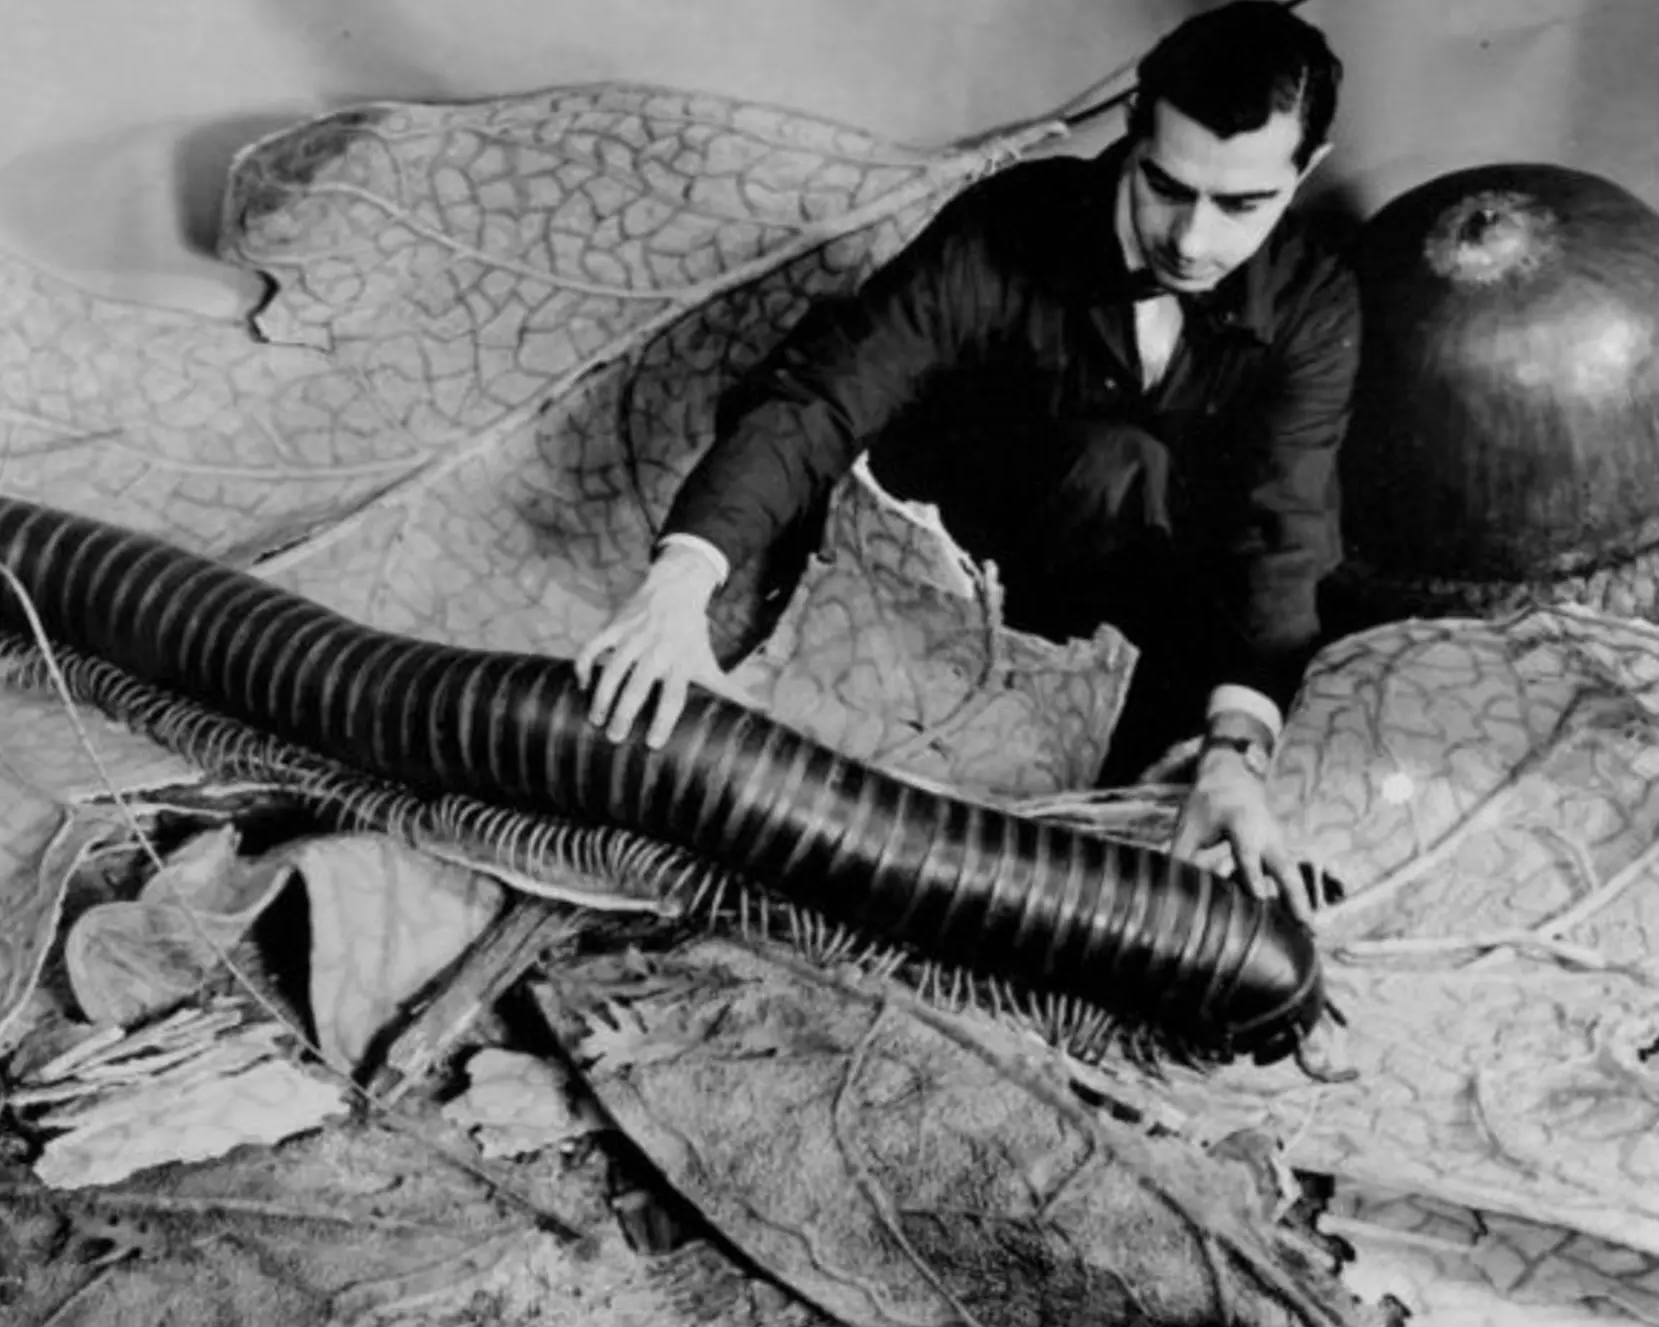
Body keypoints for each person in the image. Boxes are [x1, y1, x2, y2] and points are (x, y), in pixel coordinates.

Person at [573, 1, 1352, 922]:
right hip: (926, 603)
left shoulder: (1315, 303)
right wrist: (678, 581)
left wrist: (1236, 752)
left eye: (1243, 205)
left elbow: (1282, 534)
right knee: (1117, 461)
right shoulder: (1007, 226)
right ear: (1134, 133)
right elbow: (823, 399)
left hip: (1132, 653)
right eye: (1166, 187)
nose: (1192, 239)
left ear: (1308, 174)